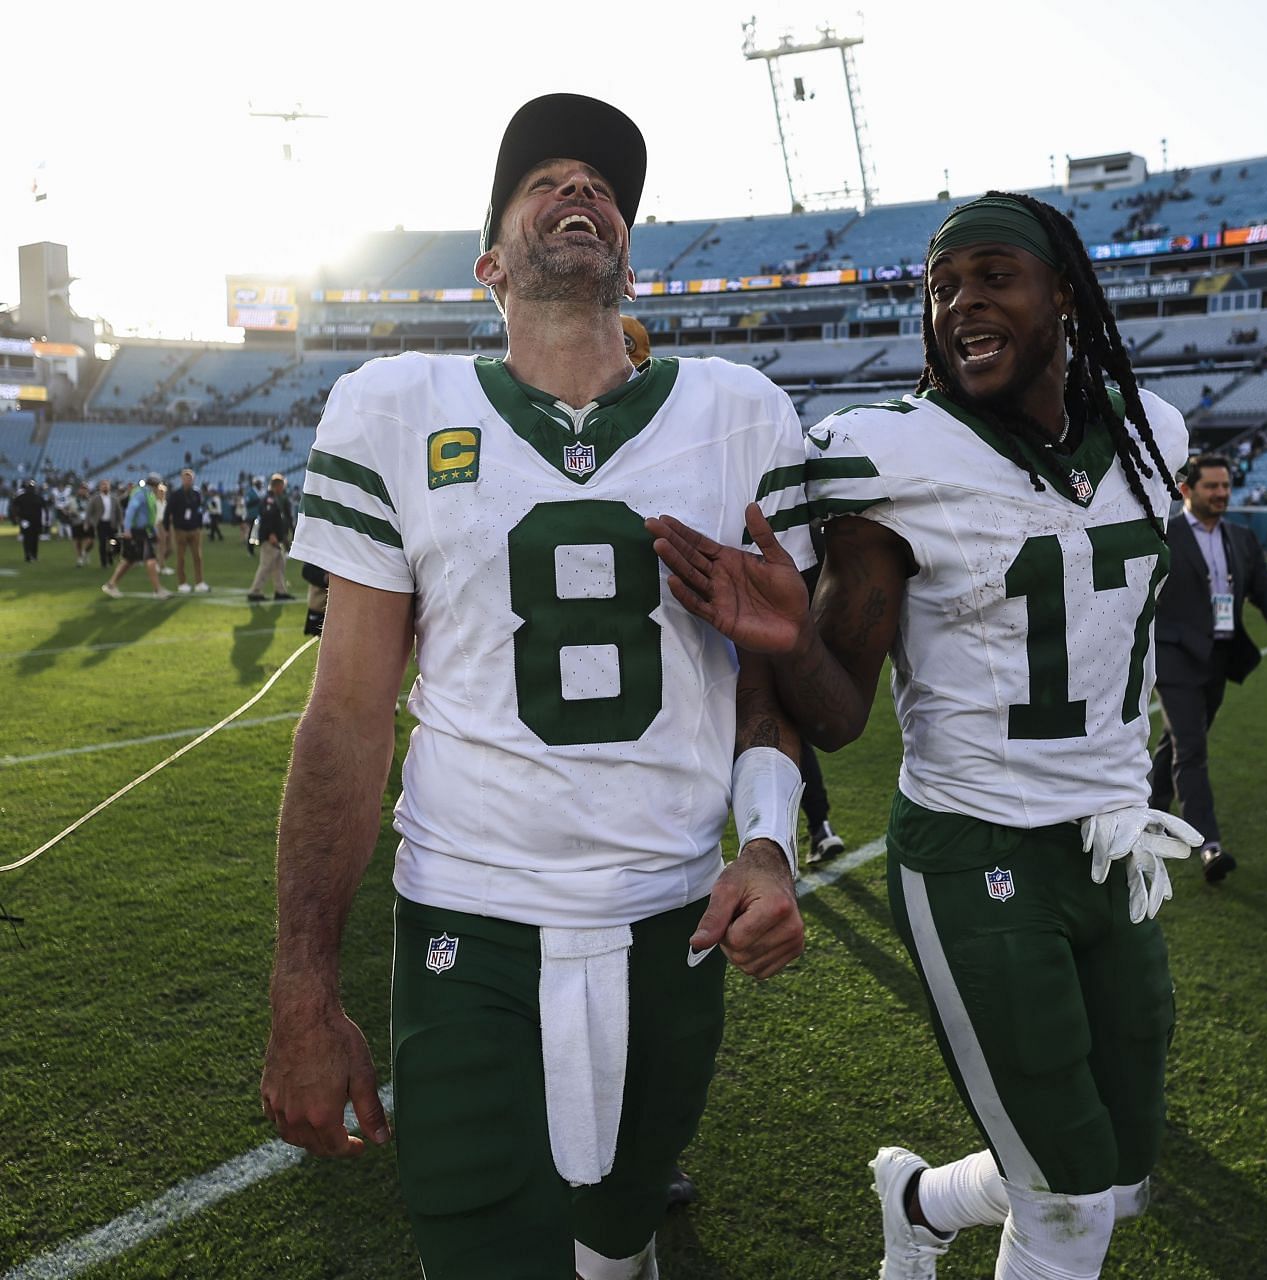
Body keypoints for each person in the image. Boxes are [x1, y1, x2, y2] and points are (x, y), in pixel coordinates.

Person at [259, 93, 813, 1279]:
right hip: (471, 918)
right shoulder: (395, 410)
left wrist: (767, 840)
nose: (582, 192)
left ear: (626, 253)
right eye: (545, 182)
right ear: (492, 263)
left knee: (615, 1253)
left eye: (605, 187)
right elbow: (348, 716)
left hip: (671, 917)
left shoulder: (742, 415)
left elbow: (767, 679)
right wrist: (305, 986)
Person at [649, 190, 1197, 1279]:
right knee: (1069, 1204)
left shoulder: (1153, 435)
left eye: (994, 275)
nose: (961, 303)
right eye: (943, 286)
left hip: (1111, 846)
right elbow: (840, 713)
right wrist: (788, 635)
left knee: (1118, 1178)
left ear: (1065, 295)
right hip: (978, 851)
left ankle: (918, 1198)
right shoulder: (888, 451)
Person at [1147, 453, 1267, 883]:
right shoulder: (1164, 535)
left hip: (1219, 656)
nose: (1222, 494)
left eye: (1226, 486)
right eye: (1212, 486)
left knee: (1178, 742)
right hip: (1174, 655)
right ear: (1186, 490)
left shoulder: (1242, 538)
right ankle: (1208, 845)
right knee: (1192, 748)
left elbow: (1266, 586)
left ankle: (1150, 812)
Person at [101, 473, 170, 600]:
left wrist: (154, 532)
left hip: (141, 531)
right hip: (137, 532)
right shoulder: (142, 494)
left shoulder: (147, 494)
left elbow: (149, 516)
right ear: (155, 485)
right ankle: (157, 589)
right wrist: (127, 529)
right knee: (151, 560)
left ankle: (111, 585)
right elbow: (131, 510)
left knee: (129, 560)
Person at [246, 473, 295, 602]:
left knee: (279, 565)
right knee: (266, 565)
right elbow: (267, 517)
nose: (283, 488)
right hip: (270, 538)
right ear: (277, 486)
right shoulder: (269, 499)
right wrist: (271, 534)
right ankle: (255, 591)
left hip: (276, 537)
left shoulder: (275, 498)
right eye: (282, 486)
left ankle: (280, 591)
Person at [165, 467, 210, 593]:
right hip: (180, 530)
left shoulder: (196, 493)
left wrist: (200, 525)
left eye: (190, 478)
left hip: (194, 529)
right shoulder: (176, 494)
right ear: (182, 479)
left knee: (198, 557)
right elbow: (168, 511)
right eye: (186, 478)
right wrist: (167, 528)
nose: (188, 481)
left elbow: (199, 510)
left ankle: (199, 582)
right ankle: (182, 583)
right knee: (181, 558)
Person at [11, 478, 44, 563]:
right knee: (33, 539)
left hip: (27, 521)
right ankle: (32, 555)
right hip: (32, 521)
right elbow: (44, 508)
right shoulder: (37, 497)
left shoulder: (21, 497)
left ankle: (29, 555)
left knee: (28, 539)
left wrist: (16, 517)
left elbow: (14, 507)